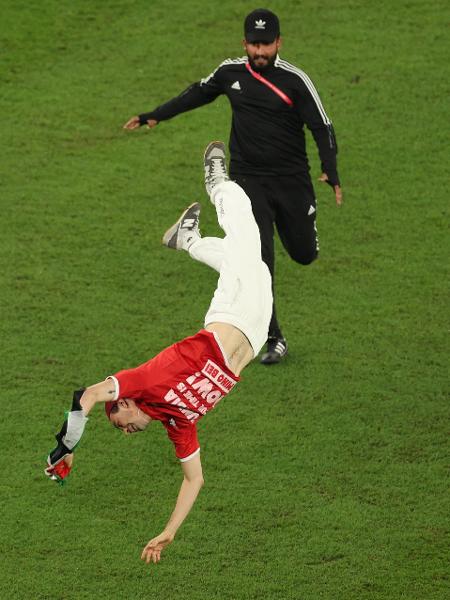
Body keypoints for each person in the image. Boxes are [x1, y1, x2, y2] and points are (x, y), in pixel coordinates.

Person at [45, 142, 272, 565]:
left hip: (230, 313)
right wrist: (168, 532)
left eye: (119, 422)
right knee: (253, 264)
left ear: (125, 402)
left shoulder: (140, 383)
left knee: (247, 232)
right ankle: (187, 240)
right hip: (255, 334)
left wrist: (66, 446)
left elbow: (86, 395)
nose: (125, 431)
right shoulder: (177, 422)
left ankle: (217, 182)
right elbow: (194, 480)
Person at [123, 8, 342, 365]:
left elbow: (322, 125)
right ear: (245, 43)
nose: (260, 52)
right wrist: (155, 114)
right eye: (254, 45)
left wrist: (330, 170)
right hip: (248, 180)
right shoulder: (231, 73)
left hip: (291, 182)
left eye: (266, 45)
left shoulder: (295, 81)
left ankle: (191, 239)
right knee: (258, 261)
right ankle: (273, 337)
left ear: (278, 43)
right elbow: (197, 93)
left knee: (304, 254)